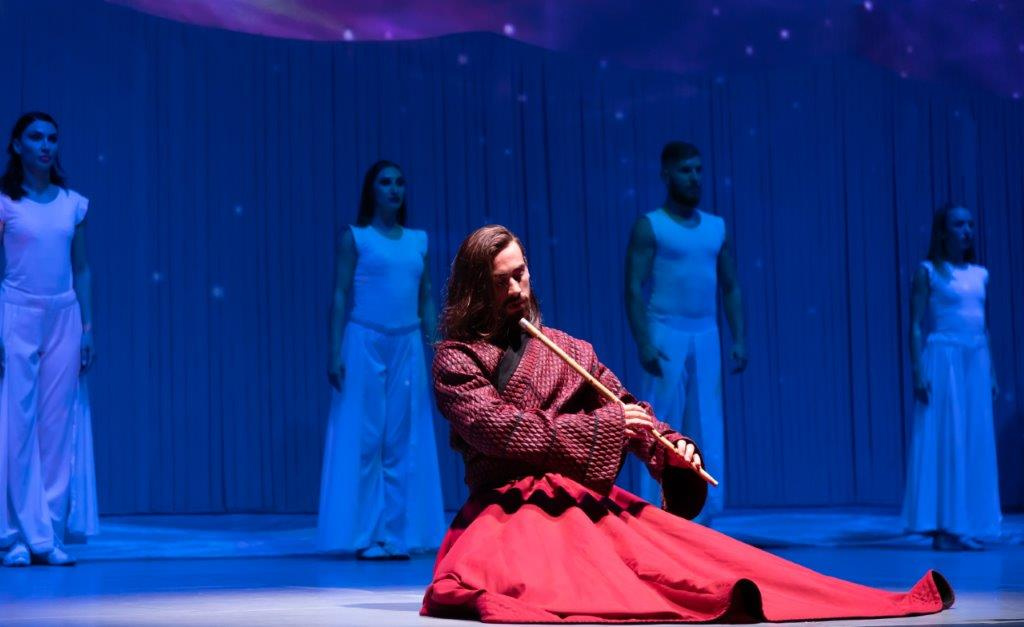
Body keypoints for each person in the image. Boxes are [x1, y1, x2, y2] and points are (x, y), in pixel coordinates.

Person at [421, 224, 952, 623]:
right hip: (507, 510)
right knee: (573, 587)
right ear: (475, 290)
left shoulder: (568, 348)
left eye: (521, 273)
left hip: (580, 502)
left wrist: (667, 447)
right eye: (501, 282)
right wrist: (608, 426)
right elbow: (502, 429)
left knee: (694, 562)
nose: (517, 289)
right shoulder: (456, 359)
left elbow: (626, 405)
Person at [317, 160, 446, 558]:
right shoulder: (357, 238)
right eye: (385, 183)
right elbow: (340, 294)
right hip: (365, 342)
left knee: (403, 439)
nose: (394, 189)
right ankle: (364, 535)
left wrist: (438, 347)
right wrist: (334, 351)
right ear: (372, 191)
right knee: (366, 437)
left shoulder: (418, 241)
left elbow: (426, 297)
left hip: (406, 344)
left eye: (399, 183)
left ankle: (397, 534)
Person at [625, 141, 746, 518]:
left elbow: (730, 286)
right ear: (667, 175)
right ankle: (654, 511)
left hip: (706, 335)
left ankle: (707, 513)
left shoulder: (715, 227)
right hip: (666, 332)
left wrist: (739, 338)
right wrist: (644, 342)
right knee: (661, 422)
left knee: (708, 421)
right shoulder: (652, 225)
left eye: (698, 170)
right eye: (685, 170)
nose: (694, 177)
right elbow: (633, 286)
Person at [0, 112, 96, 567]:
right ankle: (15, 534)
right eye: (35, 137)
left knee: (56, 426)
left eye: (52, 138)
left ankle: (49, 532)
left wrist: (88, 329)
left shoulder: (72, 203)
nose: (45, 145)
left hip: (64, 315)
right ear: (17, 145)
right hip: (17, 313)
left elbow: (82, 268)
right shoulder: (5, 202)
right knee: (16, 425)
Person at [903, 203, 1002, 550]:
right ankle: (944, 527)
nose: (967, 231)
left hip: (975, 360)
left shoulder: (980, 274)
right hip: (944, 360)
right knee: (947, 436)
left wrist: (991, 372)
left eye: (970, 225)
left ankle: (966, 523)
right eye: (959, 225)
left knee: (973, 438)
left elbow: (983, 326)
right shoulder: (928, 272)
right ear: (943, 232)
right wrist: (918, 370)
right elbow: (915, 325)